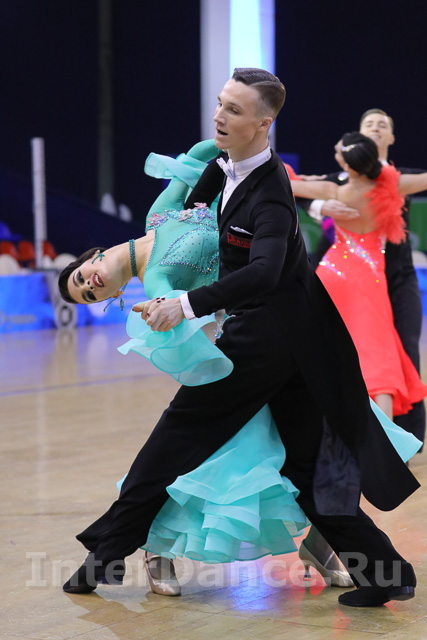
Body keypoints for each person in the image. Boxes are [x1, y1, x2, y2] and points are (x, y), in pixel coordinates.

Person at [61, 68, 420, 608]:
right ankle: (388, 573)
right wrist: (196, 201)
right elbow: (210, 167)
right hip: (292, 338)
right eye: (220, 104)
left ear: (263, 123)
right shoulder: (228, 161)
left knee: (172, 441)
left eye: (233, 109)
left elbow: (265, 273)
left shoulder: (271, 196)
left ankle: (104, 558)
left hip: (266, 336)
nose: (219, 116)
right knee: (305, 467)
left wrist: (182, 305)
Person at [59, 138, 355, 591]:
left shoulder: (160, 214)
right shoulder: (155, 279)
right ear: (112, 296)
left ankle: (321, 541)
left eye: (82, 278)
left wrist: (226, 140)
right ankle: (155, 546)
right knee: (209, 462)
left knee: (328, 437)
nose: (90, 285)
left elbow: (202, 157)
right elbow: (178, 313)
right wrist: (170, 313)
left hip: (283, 321)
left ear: (92, 257)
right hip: (248, 343)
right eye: (88, 295)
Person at [299, 109, 426, 444]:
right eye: (370, 124)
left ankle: (401, 437)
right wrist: (320, 208)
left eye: (383, 124)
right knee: (373, 358)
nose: (376, 128)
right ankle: (378, 445)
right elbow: (302, 194)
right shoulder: (364, 182)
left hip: (366, 274)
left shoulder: (367, 181)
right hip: (364, 278)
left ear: (391, 137)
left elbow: (288, 183)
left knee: (397, 348)